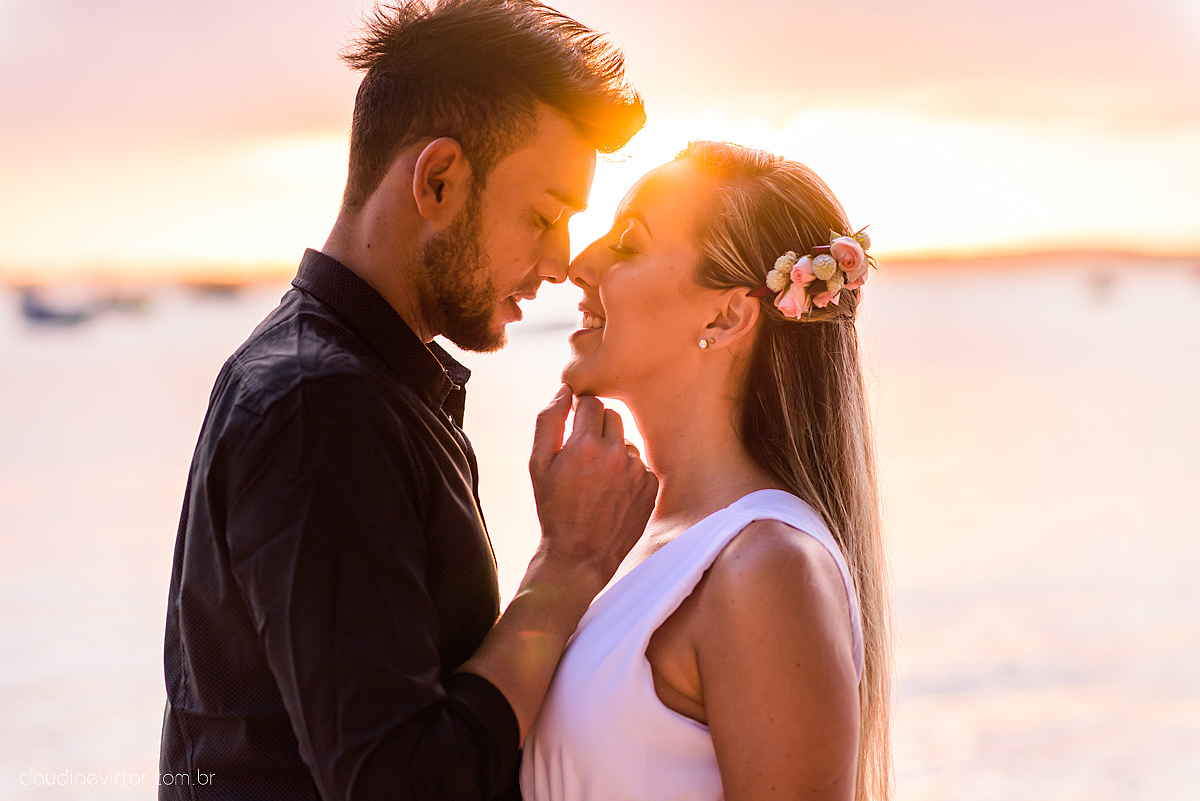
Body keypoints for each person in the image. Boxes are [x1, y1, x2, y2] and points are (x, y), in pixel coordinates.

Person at [158, 2, 656, 799]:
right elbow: (401, 783)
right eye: (543, 214)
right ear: (438, 179)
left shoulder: (363, 385)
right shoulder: (319, 406)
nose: (561, 260)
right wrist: (568, 566)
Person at [521, 141, 893, 801]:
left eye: (628, 245)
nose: (580, 264)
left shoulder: (766, 567)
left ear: (726, 316)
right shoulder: (627, 541)